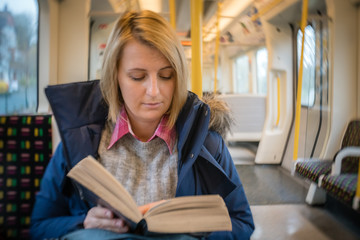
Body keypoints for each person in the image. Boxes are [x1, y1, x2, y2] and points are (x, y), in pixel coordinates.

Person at [30, 10, 254, 240]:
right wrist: (84, 222)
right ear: (114, 76)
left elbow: (242, 223)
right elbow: (40, 225)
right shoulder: (79, 142)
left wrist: (200, 231)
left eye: (166, 76)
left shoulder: (206, 142)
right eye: (138, 77)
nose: (154, 91)